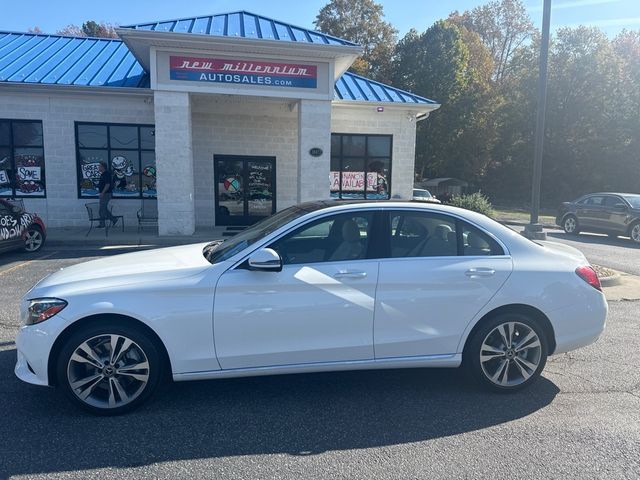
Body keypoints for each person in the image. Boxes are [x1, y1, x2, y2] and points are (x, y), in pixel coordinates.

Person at [97, 162, 118, 228]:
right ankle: (114, 219)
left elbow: (107, 184)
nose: (98, 167)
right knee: (104, 209)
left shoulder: (106, 174)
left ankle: (102, 224)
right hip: (104, 194)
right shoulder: (103, 174)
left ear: (103, 167)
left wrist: (102, 193)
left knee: (101, 210)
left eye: (99, 166)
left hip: (106, 194)